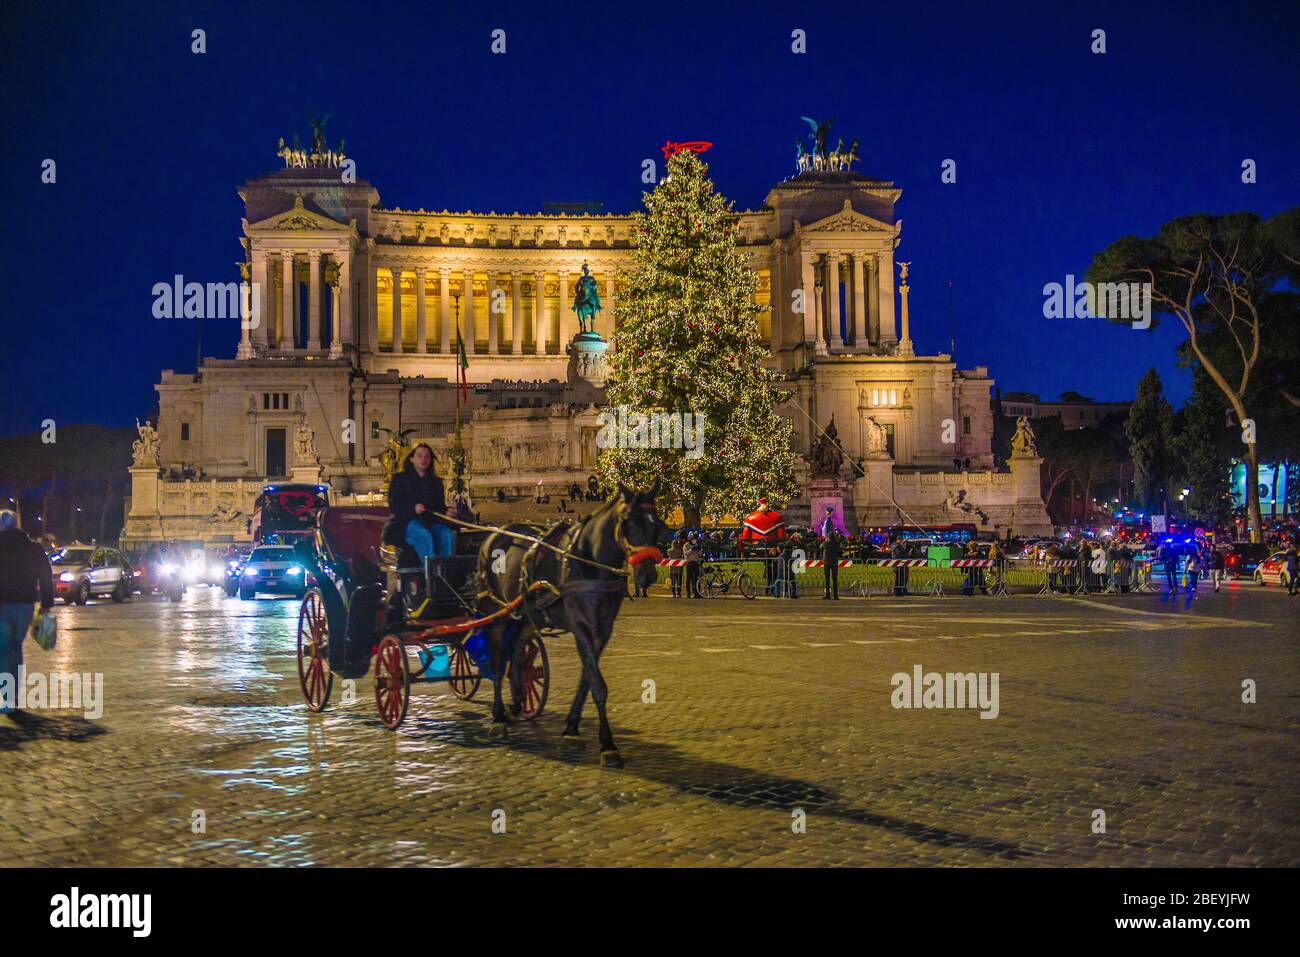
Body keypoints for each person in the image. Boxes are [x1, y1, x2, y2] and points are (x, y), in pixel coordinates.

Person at [0, 511, 54, 716]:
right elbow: (45, 576)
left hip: (2, 605)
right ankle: (12, 697)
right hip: (25, 604)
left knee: (3, 651)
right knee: (15, 648)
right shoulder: (34, 548)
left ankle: (8, 697)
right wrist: (46, 603)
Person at [388, 443, 453, 563]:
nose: (424, 459)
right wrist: (413, 508)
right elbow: (394, 506)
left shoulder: (436, 482)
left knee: (446, 534)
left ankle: (445, 567)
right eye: (419, 456)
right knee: (424, 535)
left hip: (430, 521)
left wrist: (446, 511)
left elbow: (439, 506)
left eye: (427, 456)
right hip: (406, 523)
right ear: (412, 459)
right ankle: (430, 570)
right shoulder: (399, 479)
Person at [818, 507, 841, 600]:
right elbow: (839, 549)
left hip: (827, 562)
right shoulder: (835, 543)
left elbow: (820, 546)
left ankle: (827, 594)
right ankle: (835, 594)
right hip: (834, 562)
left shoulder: (826, 543)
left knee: (827, 579)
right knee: (834, 579)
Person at [684, 533, 702, 599]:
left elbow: (700, 554)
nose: (694, 540)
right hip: (689, 563)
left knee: (696, 579)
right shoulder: (686, 545)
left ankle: (697, 593)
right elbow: (686, 554)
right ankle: (688, 593)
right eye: (693, 539)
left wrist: (699, 549)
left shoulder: (697, 545)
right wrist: (691, 549)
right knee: (689, 579)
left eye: (695, 539)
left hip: (696, 563)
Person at [667, 533, 685, 598]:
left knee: (674, 581)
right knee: (678, 581)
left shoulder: (670, 551)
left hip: (673, 569)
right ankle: (678, 593)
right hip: (678, 568)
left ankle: (674, 593)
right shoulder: (680, 549)